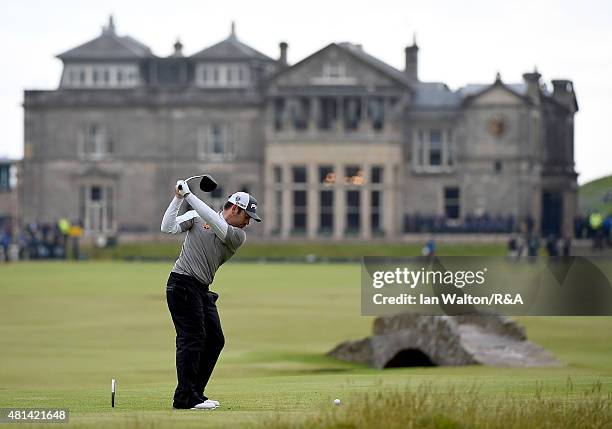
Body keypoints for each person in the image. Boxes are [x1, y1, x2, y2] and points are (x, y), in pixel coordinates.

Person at [161, 179, 261, 410]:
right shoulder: (197, 218)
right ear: (234, 208)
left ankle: (195, 393)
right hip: (182, 284)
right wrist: (178, 198)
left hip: (200, 289)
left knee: (215, 340)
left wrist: (189, 196)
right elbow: (167, 227)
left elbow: (214, 221)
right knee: (192, 339)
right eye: (247, 217)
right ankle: (185, 398)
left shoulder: (237, 236)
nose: (248, 223)